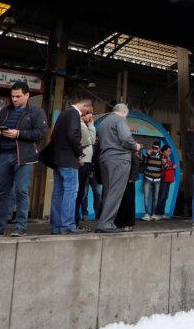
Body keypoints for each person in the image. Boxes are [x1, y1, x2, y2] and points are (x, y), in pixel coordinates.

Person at [0, 81, 48, 237]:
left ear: (27, 95)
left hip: (24, 157)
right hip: (4, 155)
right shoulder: (5, 111)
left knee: (21, 191)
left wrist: (19, 134)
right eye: (12, 96)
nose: (14, 99)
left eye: (18, 96)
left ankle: (20, 227)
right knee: (0, 192)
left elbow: (41, 133)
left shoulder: (36, 112)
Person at [95, 103, 139, 233]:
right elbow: (126, 138)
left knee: (108, 193)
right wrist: (136, 146)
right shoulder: (119, 119)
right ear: (124, 112)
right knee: (116, 193)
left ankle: (102, 223)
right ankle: (106, 224)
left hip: (105, 159)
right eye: (126, 116)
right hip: (119, 160)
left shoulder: (103, 123)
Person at [47, 98, 86, 235]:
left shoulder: (63, 114)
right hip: (69, 160)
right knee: (71, 191)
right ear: (84, 105)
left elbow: (53, 136)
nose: (87, 114)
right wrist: (80, 154)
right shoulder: (74, 113)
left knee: (58, 192)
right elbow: (73, 135)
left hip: (58, 160)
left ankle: (56, 226)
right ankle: (68, 225)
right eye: (88, 110)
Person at [75, 106, 96, 230]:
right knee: (79, 193)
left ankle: (75, 220)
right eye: (90, 114)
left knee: (81, 193)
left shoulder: (83, 126)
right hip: (83, 163)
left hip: (85, 163)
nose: (91, 117)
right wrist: (92, 126)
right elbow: (91, 140)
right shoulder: (82, 126)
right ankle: (75, 221)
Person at [140, 141, 165, 221]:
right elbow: (141, 161)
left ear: (159, 149)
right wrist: (147, 154)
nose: (154, 149)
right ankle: (147, 214)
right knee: (146, 197)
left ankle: (153, 214)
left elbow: (165, 167)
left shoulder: (162, 156)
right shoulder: (148, 155)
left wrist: (165, 164)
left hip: (157, 179)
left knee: (155, 198)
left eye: (156, 148)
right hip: (148, 178)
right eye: (153, 148)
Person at [157, 144, 176, 218]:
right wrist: (172, 167)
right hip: (163, 179)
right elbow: (163, 168)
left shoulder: (168, 159)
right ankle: (157, 213)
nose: (169, 153)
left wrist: (172, 167)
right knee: (161, 197)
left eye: (170, 151)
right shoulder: (161, 158)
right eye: (168, 151)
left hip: (168, 180)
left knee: (165, 197)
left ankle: (161, 213)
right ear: (164, 151)